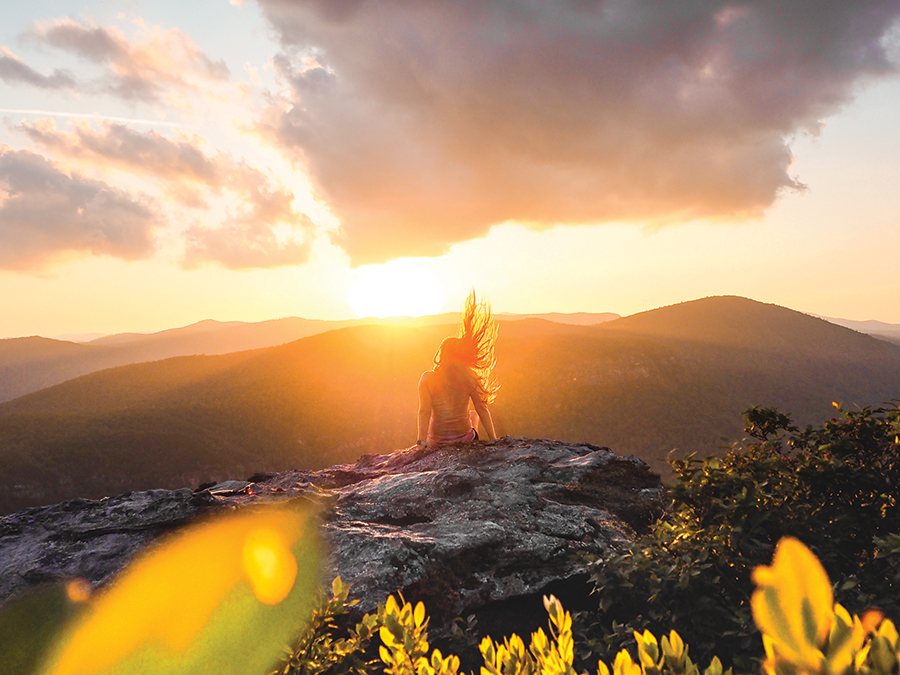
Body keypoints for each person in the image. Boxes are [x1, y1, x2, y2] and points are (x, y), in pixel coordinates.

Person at [413, 291, 499, 449]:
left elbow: (424, 412)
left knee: (441, 415)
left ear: (442, 354)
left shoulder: (427, 379)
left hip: (436, 442)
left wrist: (421, 443)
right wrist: (494, 439)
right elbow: (482, 408)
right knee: (473, 414)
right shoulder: (469, 377)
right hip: (465, 440)